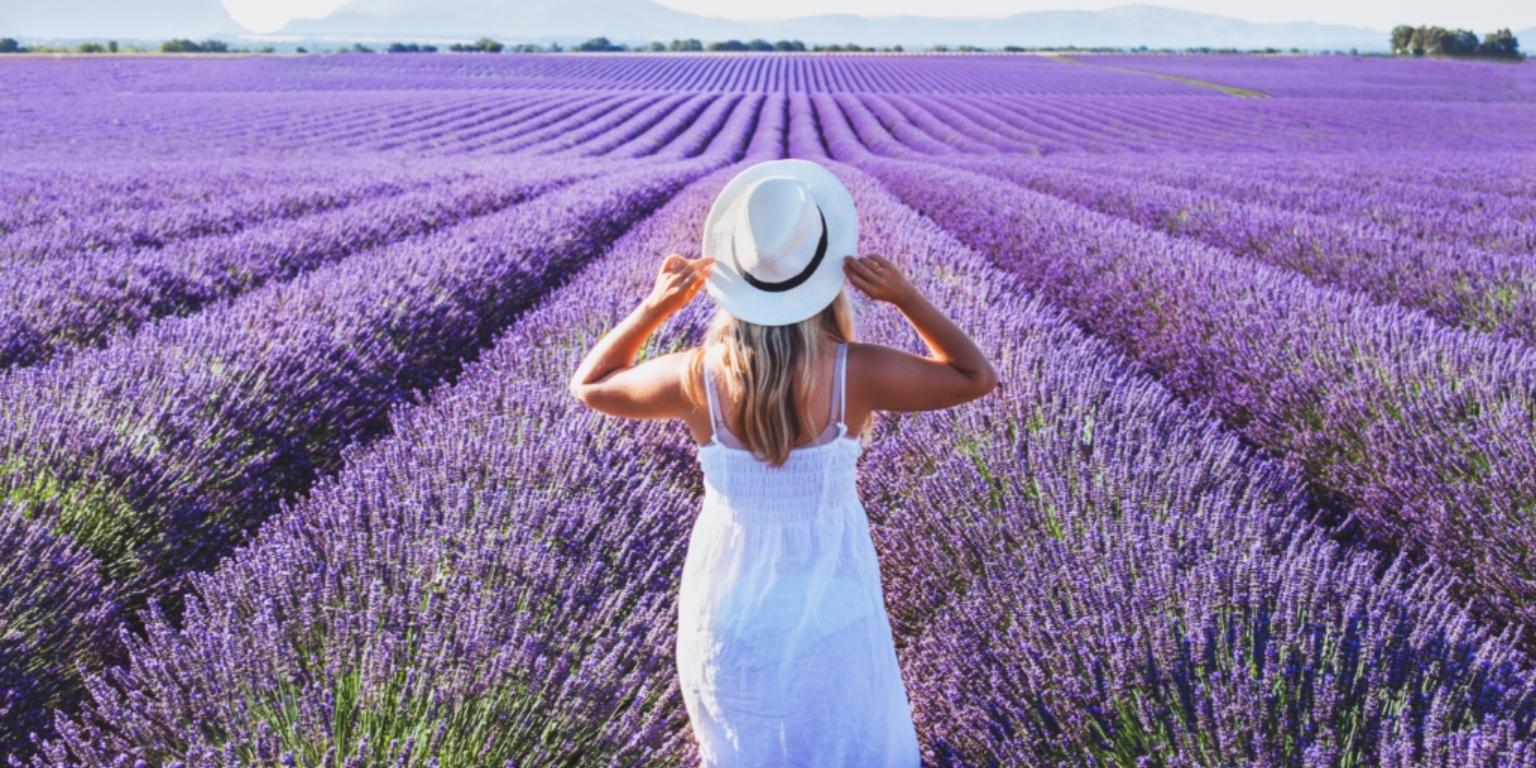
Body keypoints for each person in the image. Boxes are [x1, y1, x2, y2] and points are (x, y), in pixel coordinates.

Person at [568, 159, 997, 766]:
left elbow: (591, 383)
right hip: (834, 606)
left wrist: (655, 308)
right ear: (827, 275)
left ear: (733, 278)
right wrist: (906, 298)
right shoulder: (857, 373)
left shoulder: (696, 378)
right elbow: (975, 377)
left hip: (728, 608)